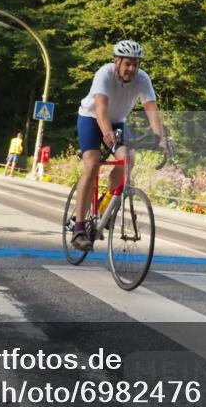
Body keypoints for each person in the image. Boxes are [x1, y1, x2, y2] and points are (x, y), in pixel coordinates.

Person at [72, 40, 168, 251]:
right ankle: (79, 227)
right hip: (91, 117)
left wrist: (159, 136)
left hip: (118, 122)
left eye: (135, 64)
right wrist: (106, 133)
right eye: (127, 64)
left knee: (128, 159)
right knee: (92, 162)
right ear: (117, 62)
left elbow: (151, 108)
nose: (131, 69)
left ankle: (105, 206)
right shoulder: (104, 74)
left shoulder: (143, 79)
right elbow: (101, 107)